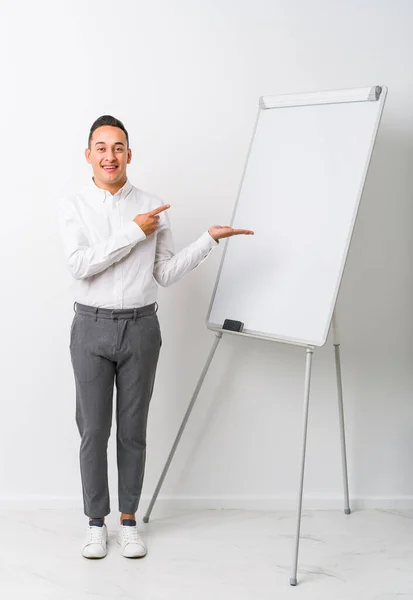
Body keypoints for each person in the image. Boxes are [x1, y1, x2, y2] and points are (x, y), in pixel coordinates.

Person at [57, 115, 254, 560]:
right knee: (92, 432)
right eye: (102, 147)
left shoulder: (153, 205)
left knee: (133, 432)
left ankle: (128, 522)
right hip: (90, 326)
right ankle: (95, 523)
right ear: (88, 154)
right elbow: (81, 264)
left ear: (130, 154)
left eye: (119, 147)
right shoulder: (74, 206)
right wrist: (132, 232)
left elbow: (163, 273)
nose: (111, 155)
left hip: (142, 327)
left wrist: (208, 240)